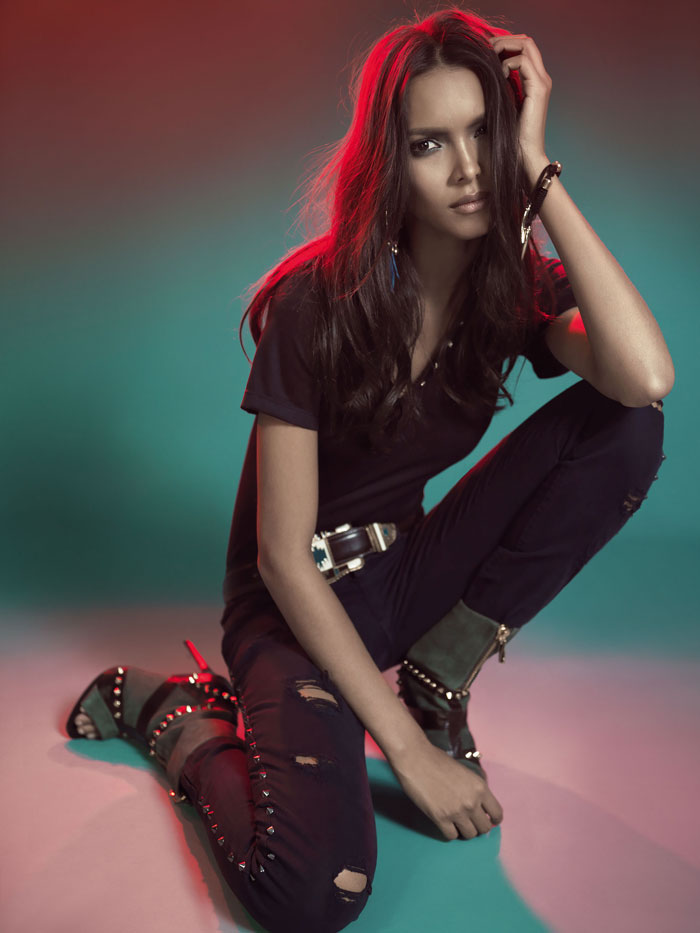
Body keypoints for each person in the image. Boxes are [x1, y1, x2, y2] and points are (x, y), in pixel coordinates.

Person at [65, 7, 673, 933]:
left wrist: (538, 170)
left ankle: (436, 678)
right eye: (432, 143)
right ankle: (178, 717)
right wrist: (407, 755)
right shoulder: (316, 302)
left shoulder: (510, 289)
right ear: (392, 163)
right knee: (315, 892)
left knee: (628, 426)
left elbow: (644, 376)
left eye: (484, 134)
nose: (468, 169)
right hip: (291, 612)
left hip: (404, 576)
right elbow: (279, 557)